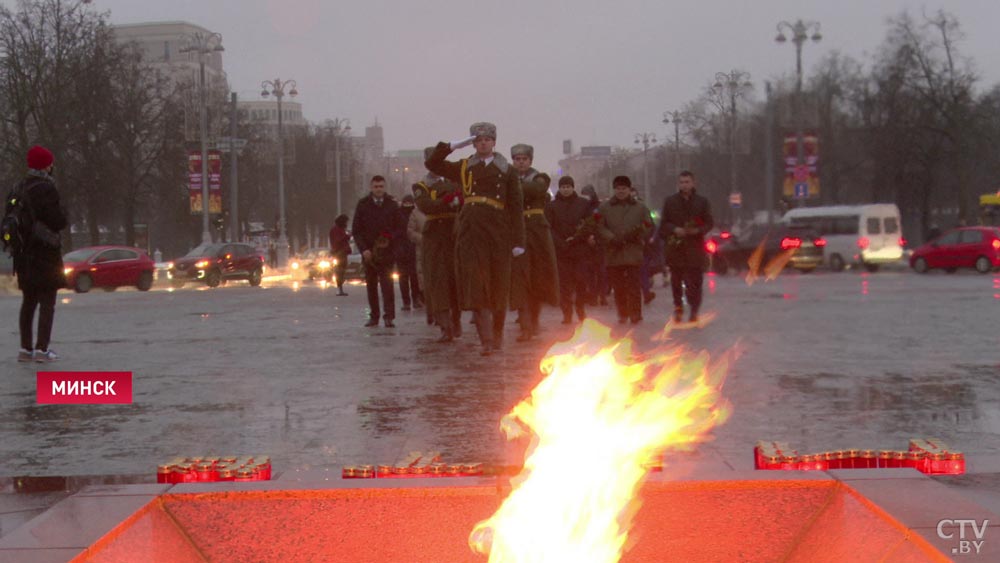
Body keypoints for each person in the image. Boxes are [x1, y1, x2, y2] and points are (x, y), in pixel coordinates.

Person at [425, 122, 525, 355]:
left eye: (487, 140)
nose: (482, 144)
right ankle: (487, 341)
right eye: (478, 140)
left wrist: (519, 241)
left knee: (498, 285)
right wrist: (453, 146)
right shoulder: (464, 168)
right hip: (472, 231)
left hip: (498, 231)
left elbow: (515, 208)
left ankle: (497, 336)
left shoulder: (507, 171)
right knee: (476, 286)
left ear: (494, 142)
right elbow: (432, 163)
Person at [10, 146, 68, 362]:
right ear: (45, 165)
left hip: (23, 254)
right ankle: (42, 350)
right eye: (50, 163)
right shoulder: (46, 188)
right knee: (47, 302)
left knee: (28, 302)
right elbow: (57, 221)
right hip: (45, 252)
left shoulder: (18, 187)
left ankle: (25, 349)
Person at [508, 143, 558, 342]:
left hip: (537, 232)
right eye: (517, 159)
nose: (520, 162)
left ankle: (533, 321)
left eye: (524, 159)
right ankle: (525, 323)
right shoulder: (508, 178)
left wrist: (512, 188)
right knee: (519, 278)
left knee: (538, 278)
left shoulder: (540, 177)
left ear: (530, 161)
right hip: (516, 232)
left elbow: (535, 190)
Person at [412, 146, 462, 342]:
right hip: (433, 237)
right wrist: (448, 201)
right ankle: (444, 325)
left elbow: (463, 198)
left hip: (453, 234)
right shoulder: (421, 186)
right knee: (436, 282)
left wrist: (452, 200)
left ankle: (456, 319)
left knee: (455, 280)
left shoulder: (455, 181)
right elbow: (426, 205)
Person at [659, 170, 713, 323]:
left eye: (687, 182)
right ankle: (678, 308)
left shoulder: (702, 202)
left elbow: (709, 222)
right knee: (676, 282)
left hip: (695, 249)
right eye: (682, 182)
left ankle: (694, 309)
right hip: (676, 249)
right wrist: (674, 229)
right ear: (678, 184)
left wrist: (697, 230)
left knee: (695, 283)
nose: (684, 185)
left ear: (693, 183)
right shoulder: (670, 201)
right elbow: (663, 224)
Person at [597, 176, 652, 325]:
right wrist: (611, 238)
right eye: (618, 188)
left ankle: (635, 313)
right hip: (613, 252)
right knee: (618, 286)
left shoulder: (640, 207)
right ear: (614, 189)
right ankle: (622, 313)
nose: (621, 191)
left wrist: (637, 236)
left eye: (624, 188)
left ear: (629, 189)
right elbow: (599, 226)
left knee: (634, 285)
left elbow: (648, 225)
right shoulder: (604, 207)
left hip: (633, 251)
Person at [351, 175, 400, 328]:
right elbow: (356, 230)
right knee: (371, 286)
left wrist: (390, 239)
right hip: (369, 254)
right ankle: (374, 316)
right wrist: (364, 249)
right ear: (371, 188)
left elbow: (400, 228)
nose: (378, 189)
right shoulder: (363, 205)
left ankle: (389, 316)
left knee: (387, 285)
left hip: (387, 252)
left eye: (381, 186)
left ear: (385, 187)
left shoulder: (392, 205)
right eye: (376, 187)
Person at [546, 175, 594, 324]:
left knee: (581, 281)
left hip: (579, 249)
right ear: (559, 188)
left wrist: (577, 238)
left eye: (568, 186)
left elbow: (590, 223)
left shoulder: (583, 204)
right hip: (561, 251)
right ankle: (566, 312)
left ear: (573, 187)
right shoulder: (551, 206)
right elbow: (549, 227)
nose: (565, 190)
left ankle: (580, 308)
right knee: (564, 284)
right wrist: (560, 242)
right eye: (563, 187)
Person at [395, 194, 423, 311]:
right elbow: (395, 232)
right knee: (404, 278)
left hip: (413, 249)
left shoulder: (414, 214)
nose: (408, 205)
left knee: (414, 276)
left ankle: (415, 299)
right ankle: (407, 301)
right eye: (406, 203)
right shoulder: (398, 214)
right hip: (402, 250)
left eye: (409, 203)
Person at [328, 214, 351, 296]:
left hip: (341, 252)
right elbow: (338, 241)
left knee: (341, 270)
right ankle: (339, 288)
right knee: (340, 271)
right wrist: (347, 236)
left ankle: (340, 288)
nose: (346, 223)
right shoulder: (336, 230)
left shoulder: (338, 229)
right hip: (339, 252)